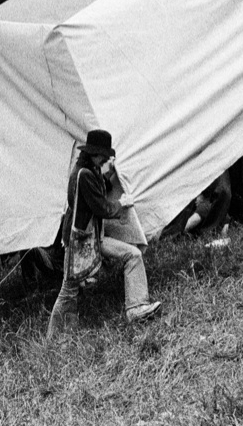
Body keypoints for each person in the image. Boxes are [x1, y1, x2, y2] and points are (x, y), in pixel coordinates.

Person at [47, 129, 161, 337]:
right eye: (104, 157)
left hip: (92, 238)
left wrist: (114, 174)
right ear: (95, 153)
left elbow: (102, 186)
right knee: (68, 291)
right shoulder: (84, 176)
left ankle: (136, 308)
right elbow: (102, 208)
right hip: (79, 241)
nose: (106, 160)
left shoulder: (89, 170)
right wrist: (122, 203)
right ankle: (53, 338)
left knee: (133, 255)